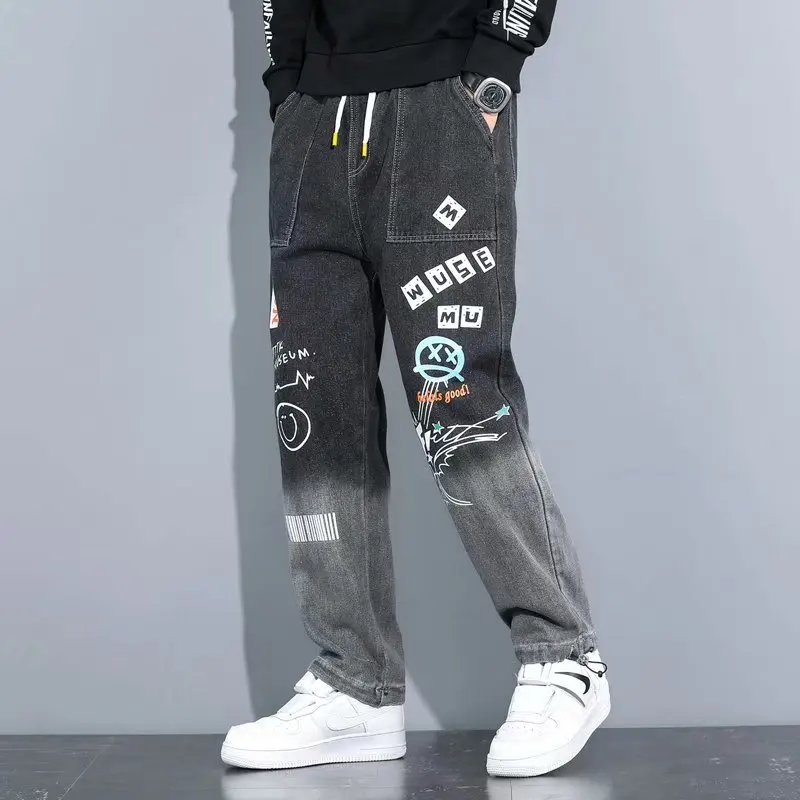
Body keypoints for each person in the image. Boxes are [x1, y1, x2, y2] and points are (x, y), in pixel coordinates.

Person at [222, 0, 610, 778]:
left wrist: (497, 62)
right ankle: (354, 680)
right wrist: (287, 83)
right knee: (316, 409)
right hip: (314, 120)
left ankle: (562, 654)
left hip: (442, 105)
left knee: (458, 399)